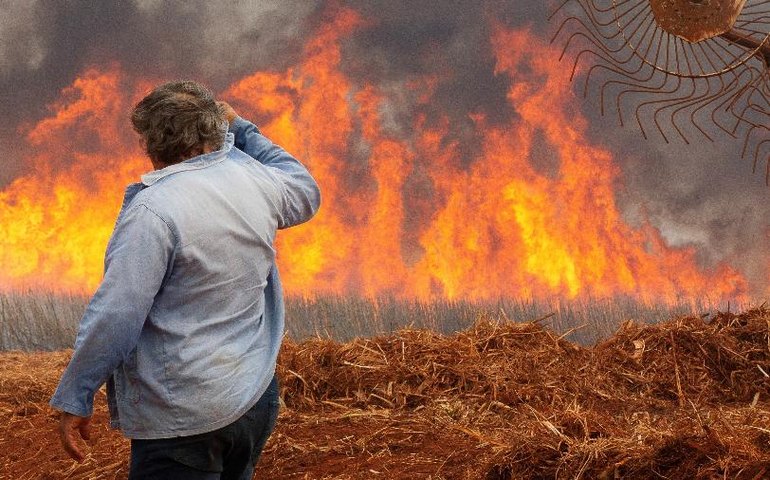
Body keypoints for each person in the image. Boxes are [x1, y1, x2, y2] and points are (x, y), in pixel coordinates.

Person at [49, 80, 320, 479]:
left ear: (152, 142)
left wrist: (76, 393)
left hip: (186, 416)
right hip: (252, 398)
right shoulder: (256, 181)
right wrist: (242, 129)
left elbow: (117, 315)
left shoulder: (154, 211)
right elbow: (304, 188)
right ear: (214, 130)